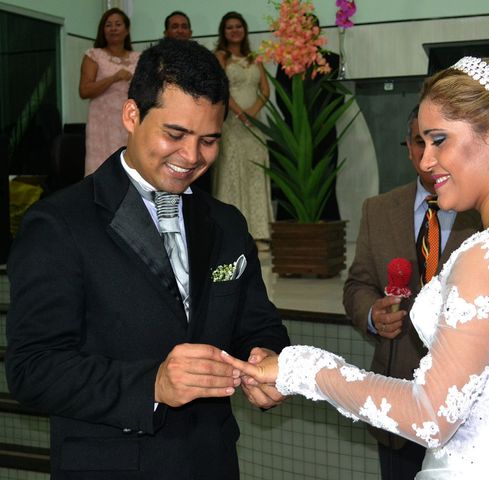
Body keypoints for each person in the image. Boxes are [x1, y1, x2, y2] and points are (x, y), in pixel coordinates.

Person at [222, 57, 489, 478]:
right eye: (421, 142)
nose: (425, 161)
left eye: (440, 140)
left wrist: (299, 369)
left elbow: (431, 417)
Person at [6, 38, 290, 480]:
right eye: (175, 134)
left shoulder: (227, 224)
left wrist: (269, 358)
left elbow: (258, 321)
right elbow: (32, 369)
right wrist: (152, 385)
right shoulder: (59, 224)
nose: (192, 157)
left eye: (209, 140)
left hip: (211, 461)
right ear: (132, 114)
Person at [343, 105, 481, 480]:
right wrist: (373, 314)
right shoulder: (378, 209)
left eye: (438, 141)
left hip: (468, 408)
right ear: (408, 147)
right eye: (419, 142)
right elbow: (357, 284)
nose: (427, 153)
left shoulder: (483, 212)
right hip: (397, 400)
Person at [212, 11, 272, 251]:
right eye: (229, 27)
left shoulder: (254, 57)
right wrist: (239, 113)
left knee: (255, 171)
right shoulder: (221, 57)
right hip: (231, 121)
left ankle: (259, 232)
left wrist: (254, 112)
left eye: (238, 26)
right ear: (223, 32)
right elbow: (220, 88)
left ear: (244, 30)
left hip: (254, 124)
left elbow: (265, 90)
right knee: (231, 170)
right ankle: (231, 232)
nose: (234, 30)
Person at [273, 15, 342, 221]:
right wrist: (297, 120)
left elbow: (337, 95)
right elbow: (281, 94)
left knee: (326, 179)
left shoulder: (331, 59)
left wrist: (320, 119)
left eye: (311, 28)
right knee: (292, 182)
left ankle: (328, 225)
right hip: (294, 132)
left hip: (324, 129)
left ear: (318, 31)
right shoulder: (287, 60)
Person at [79, 8, 140, 176]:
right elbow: (84, 90)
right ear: (102, 30)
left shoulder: (139, 57)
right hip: (102, 123)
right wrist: (114, 78)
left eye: (118, 24)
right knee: (101, 170)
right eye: (108, 25)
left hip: (131, 121)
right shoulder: (94, 55)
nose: (113, 28)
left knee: (132, 167)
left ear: (127, 30)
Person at [162, 10, 212, 195]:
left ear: (190, 32)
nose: (180, 31)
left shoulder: (205, 59)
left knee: (198, 186)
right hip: (169, 129)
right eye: (174, 27)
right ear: (166, 33)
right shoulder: (157, 59)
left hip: (199, 128)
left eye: (184, 27)